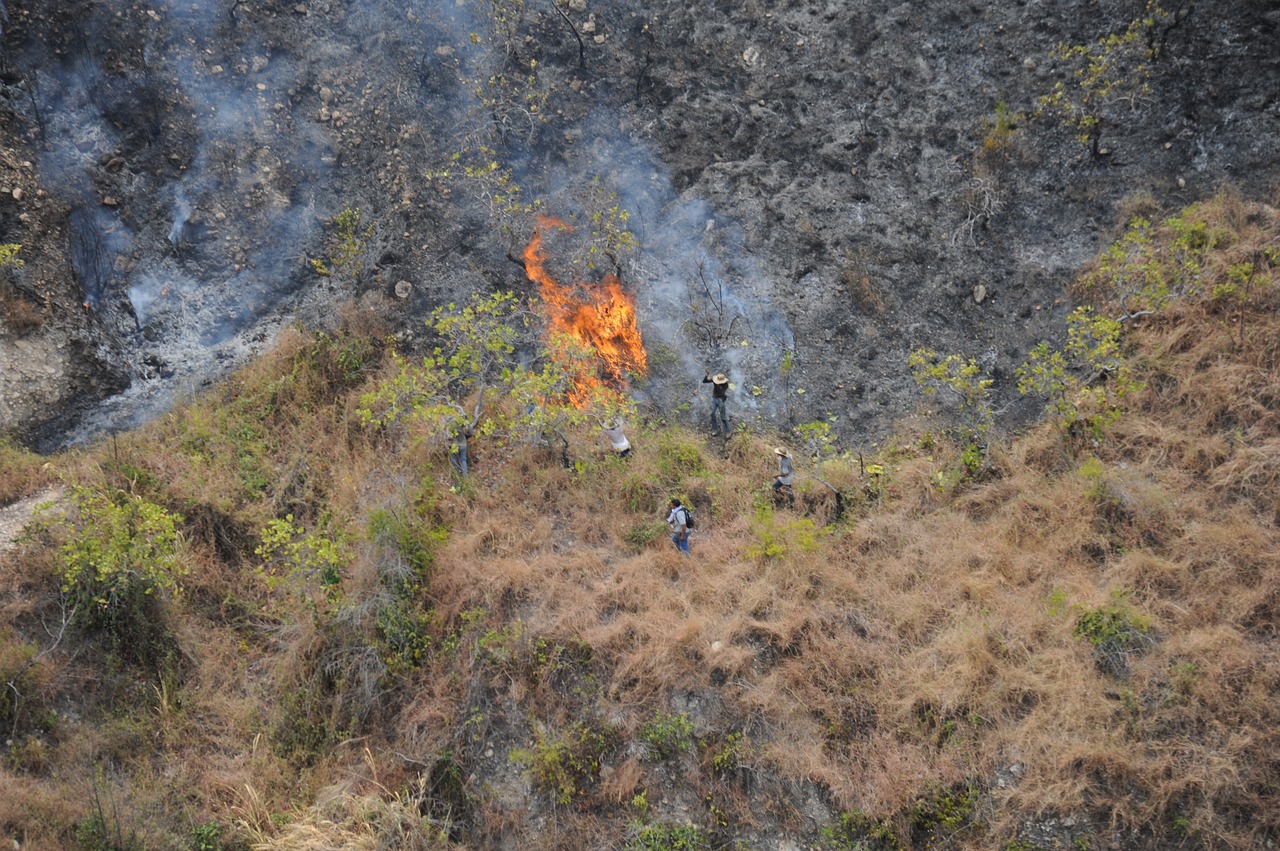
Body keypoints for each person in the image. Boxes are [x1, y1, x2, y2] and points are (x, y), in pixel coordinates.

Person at [701, 371, 730, 435]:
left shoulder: (725, 385)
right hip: (714, 398)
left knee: (723, 417)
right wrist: (707, 375)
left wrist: (719, 386)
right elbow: (704, 381)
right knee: (712, 414)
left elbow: (721, 392)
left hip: (720, 400)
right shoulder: (715, 381)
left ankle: (728, 431)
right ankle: (715, 429)